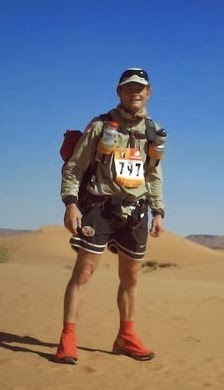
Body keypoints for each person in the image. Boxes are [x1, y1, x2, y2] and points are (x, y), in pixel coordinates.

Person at [55, 67, 166, 364]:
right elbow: (74, 167)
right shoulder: (101, 125)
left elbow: (153, 175)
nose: (135, 93)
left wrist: (158, 211)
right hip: (99, 208)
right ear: (119, 92)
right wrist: (71, 203)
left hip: (136, 212)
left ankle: (125, 337)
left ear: (149, 92)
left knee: (131, 278)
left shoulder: (154, 131)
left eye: (141, 88)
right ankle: (68, 338)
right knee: (84, 273)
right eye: (129, 88)